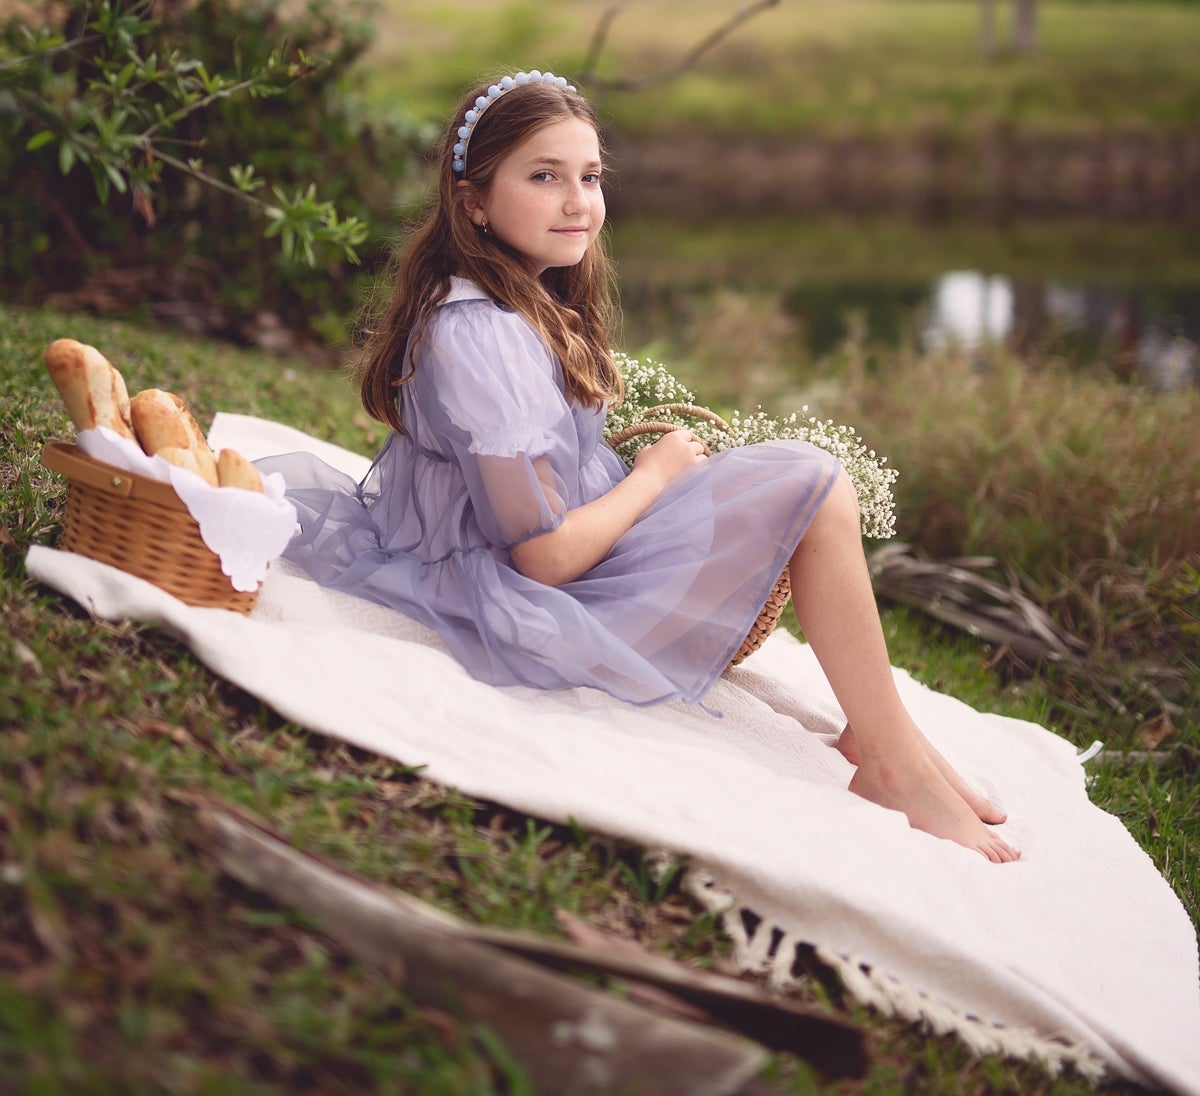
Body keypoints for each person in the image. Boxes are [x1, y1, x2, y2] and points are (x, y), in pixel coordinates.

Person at [261, 71, 1017, 862]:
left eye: (589, 177)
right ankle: (893, 763)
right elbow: (542, 556)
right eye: (544, 176)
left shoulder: (519, 305)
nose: (577, 201)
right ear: (473, 201)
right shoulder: (480, 337)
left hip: (557, 566)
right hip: (528, 606)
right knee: (814, 480)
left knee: (805, 478)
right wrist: (654, 477)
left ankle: (885, 732)